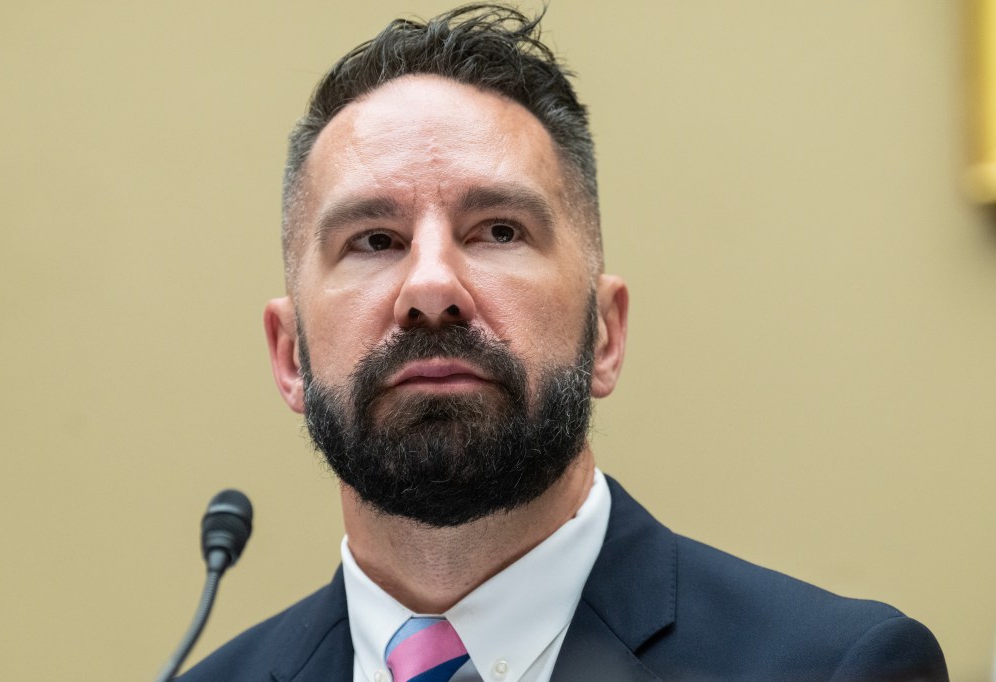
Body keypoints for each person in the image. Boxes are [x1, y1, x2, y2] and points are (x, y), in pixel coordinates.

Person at [180, 5, 948, 681]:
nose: (431, 287)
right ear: (288, 356)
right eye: (375, 239)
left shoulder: (836, 667)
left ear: (605, 334)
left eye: (499, 231)